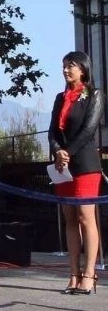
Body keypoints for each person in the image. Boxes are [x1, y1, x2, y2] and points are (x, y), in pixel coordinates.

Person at [48, 51, 103, 295]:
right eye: (63, 66)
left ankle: (90, 274)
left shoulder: (94, 95)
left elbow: (90, 129)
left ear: (83, 69)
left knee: (85, 217)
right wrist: (58, 151)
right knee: (69, 219)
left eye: (71, 66)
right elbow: (51, 132)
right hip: (62, 166)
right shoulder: (60, 98)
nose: (66, 70)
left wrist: (67, 152)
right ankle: (73, 273)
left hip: (85, 165)